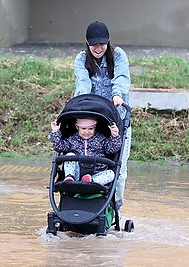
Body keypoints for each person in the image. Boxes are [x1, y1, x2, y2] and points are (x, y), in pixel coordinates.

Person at [73, 21, 131, 211]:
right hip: (91, 120)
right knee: (82, 158)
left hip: (116, 119)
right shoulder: (82, 59)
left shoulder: (118, 55)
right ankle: (78, 201)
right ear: (86, 43)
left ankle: (115, 209)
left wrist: (117, 95)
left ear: (108, 41)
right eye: (94, 44)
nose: (98, 48)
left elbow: (121, 79)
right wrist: (81, 102)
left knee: (118, 169)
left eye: (102, 44)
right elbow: (83, 84)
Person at [50, 117, 121, 185]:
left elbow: (112, 149)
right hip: (77, 172)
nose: (87, 132)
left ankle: (91, 181)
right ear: (77, 127)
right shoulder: (72, 139)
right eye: (83, 128)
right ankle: (70, 176)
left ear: (95, 128)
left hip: (97, 172)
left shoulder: (101, 139)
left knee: (111, 174)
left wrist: (115, 135)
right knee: (70, 155)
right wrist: (55, 131)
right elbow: (59, 147)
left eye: (90, 129)